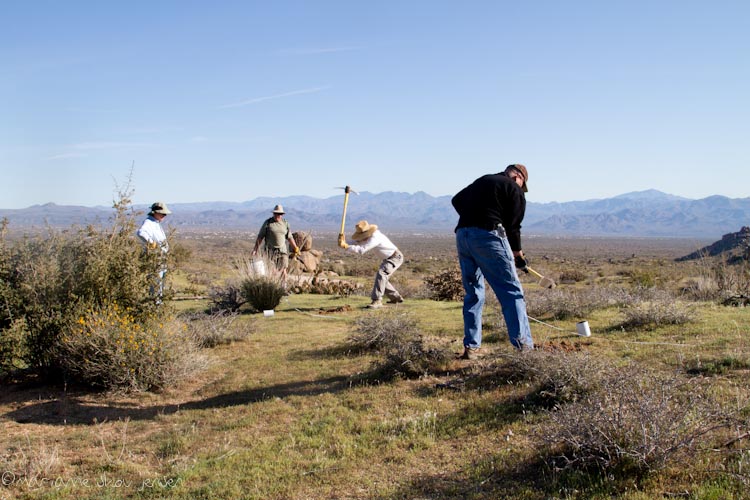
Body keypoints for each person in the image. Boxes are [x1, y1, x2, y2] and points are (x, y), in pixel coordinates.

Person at [451, 164, 534, 359]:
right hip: (489, 236)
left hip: (463, 235)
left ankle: (471, 347)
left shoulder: (484, 180)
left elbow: (457, 200)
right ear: (518, 177)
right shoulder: (514, 189)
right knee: (511, 292)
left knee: (473, 293)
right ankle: (524, 350)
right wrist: (518, 255)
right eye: (522, 184)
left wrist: (473, 215)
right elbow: (513, 227)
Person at [338, 220, 404, 309]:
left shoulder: (375, 237)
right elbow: (358, 242)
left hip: (395, 257)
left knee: (382, 274)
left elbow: (362, 250)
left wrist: (346, 246)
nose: (362, 238)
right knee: (382, 279)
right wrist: (344, 242)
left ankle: (377, 300)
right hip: (389, 258)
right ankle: (395, 298)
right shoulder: (370, 236)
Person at [252, 204, 300, 281]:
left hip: (282, 252)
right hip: (270, 252)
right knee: (272, 272)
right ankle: (273, 289)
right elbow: (260, 237)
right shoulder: (268, 223)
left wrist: (295, 248)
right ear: (274, 213)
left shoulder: (285, 223)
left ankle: (283, 289)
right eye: (277, 213)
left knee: (284, 271)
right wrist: (255, 249)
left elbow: (290, 237)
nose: (278, 215)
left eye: (280, 214)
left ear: (282, 214)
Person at [136, 201, 171, 301]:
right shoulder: (149, 223)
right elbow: (141, 233)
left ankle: (157, 307)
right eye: (162, 214)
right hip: (156, 259)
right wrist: (151, 243)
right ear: (155, 212)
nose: (164, 216)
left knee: (160, 285)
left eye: (165, 214)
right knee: (156, 285)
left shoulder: (155, 223)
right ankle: (154, 307)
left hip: (162, 258)